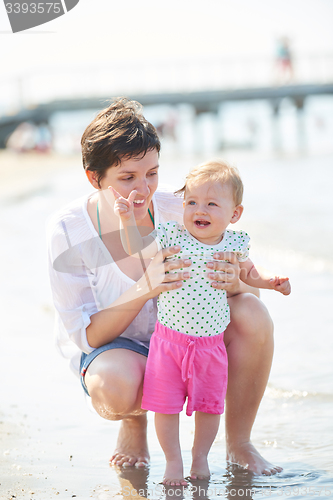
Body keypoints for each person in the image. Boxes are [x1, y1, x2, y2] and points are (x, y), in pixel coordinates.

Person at [47, 98, 283, 477]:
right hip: (117, 349)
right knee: (113, 386)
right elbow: (86, 337)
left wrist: (235, 282)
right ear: (95, 178)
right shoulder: (67, 231)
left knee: (255, 314)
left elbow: (248, 292)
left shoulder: (185, 205)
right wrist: (145, 287)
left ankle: (240, 444)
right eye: (128, 178)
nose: (144, 190)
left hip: (188, 335)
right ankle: (134, 422)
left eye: (152, 174)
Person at [113, 160, 291, 485]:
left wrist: (272, 281)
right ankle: (172, 462)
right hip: (169, 343)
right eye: (192, 202)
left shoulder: (233, 244)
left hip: (210, 346)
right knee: (165, 407)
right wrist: (127, 220)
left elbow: (250, 273)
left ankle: (200, 458)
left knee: (209, 407)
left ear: (234, 214)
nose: (200, 209)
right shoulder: (171, 236)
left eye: (211, 203)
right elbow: (135, 249)